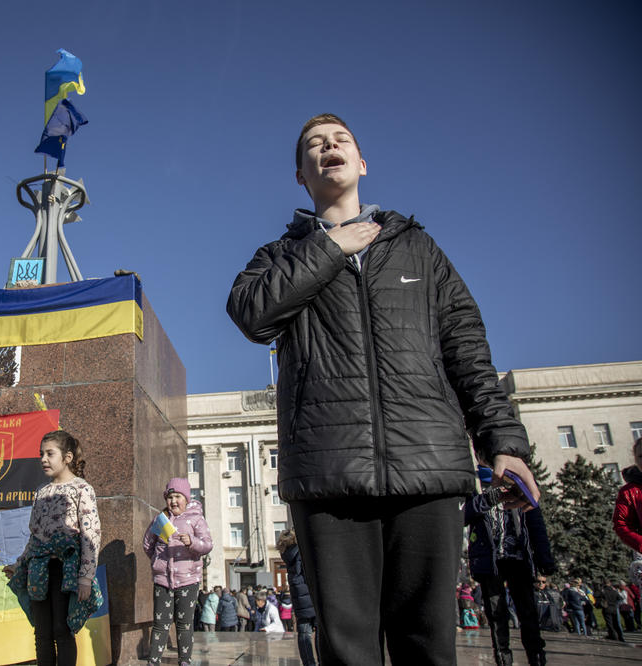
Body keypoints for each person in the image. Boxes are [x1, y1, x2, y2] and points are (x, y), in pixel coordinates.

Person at [226, 112, 539, 665]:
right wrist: (331, 248)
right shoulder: (280, 254)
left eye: (340, 140)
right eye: (314, 145)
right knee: (348, 649)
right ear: (301, 175)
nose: (329, 148)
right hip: (330, 473)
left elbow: (466, 349)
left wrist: (504, 444)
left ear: (362, 162)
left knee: (427, 644)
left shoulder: (417, 247)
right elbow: (251, 314)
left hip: (428, 464)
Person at [4, 431, 101, 666]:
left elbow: (91, 535)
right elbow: (35, 536)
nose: (43, 459)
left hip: (64, 569)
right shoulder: (41, 491)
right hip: (37, 569)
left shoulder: (81, 489)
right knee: (42, 631)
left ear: (67, 457)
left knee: (61, 628)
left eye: (50, 454)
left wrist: (85, 577)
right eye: (41, 454)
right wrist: (19, 564)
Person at [465, 463, 553, 665]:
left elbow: (535, 521)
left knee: (528, 612)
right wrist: (490, 498)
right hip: (490, 560)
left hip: (519, 558)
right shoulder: (475, 483)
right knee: (497, 615)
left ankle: (537, 658)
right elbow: (463, 514)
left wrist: (544, 558)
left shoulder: (519, 479)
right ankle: (503, 659)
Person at [142, 477, 213, 665]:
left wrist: (192, 542)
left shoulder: (196, 519)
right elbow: (147, 543)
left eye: (178, 496)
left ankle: (185, 660)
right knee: (160, 623)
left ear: (186, 498)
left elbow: (207, 545)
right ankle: (153, 660)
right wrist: (158, 561)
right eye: (170, 497)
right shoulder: (161, 519)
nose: (173, 501)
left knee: (184, 624)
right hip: (163, 580)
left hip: (188, 581)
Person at [277, 529, 317, 665]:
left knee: (304, 632)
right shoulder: (300, 553)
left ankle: (308, 663)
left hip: (299, 598)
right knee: (320, 631)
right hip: (310, 596)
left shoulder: (287, 555)